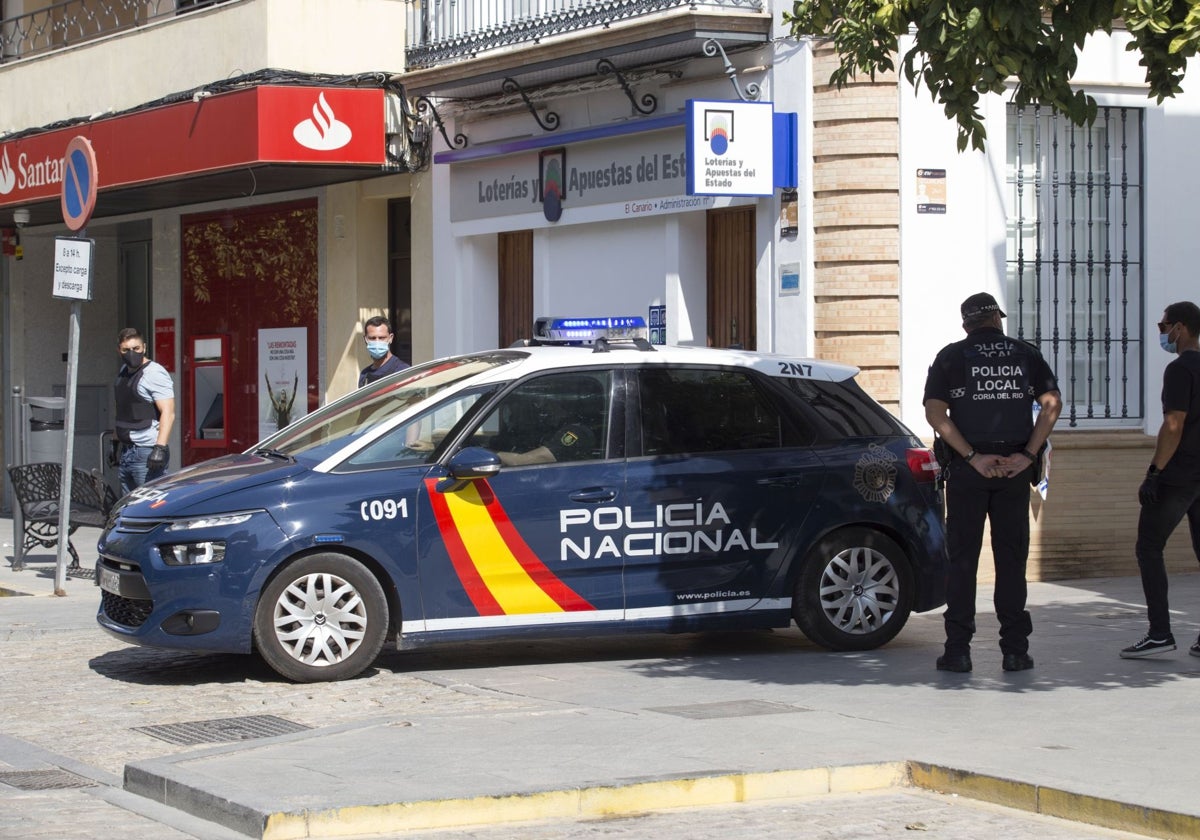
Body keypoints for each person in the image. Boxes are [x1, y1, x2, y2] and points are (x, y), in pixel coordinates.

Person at [923, 292, 1062, 673]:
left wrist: (972, 457)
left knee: (963, 562)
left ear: (966, 324)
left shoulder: (950, 357)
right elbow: (1052, 404)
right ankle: (1015, 651)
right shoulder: (1026, 354)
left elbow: (935, 412)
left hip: (970, 472)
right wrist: (1028, 456)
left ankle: (958, 651)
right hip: (1014, 471)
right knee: (1011, 562)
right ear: (997, 319)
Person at [1120, 302, 1200, 659]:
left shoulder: (1180, 369)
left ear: (1179, 328)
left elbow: (1173, 424)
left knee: (1148, 547)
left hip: (1179, 475)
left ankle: (1159, 633)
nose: (1161, 333)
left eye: (1162, 326)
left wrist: (1154, 473)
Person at [114, 327, 176, 495]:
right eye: (126, 350)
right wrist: (115, 443)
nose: (131, 353)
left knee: (150, 505)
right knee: (129, 508)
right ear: (119, 350)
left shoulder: (153, 373)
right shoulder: (123, 372)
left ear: (144, 348)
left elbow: (168, 412)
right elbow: (122, 410)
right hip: (127, 452)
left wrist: (159, 448)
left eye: (136, 349)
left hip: (146, 452)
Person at [358, 315, 408, 387]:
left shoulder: (403, 371)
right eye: (372, 338)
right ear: (365, 339)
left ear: (390, 338)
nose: (377, 342)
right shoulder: (364, 375)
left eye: (381, 338)